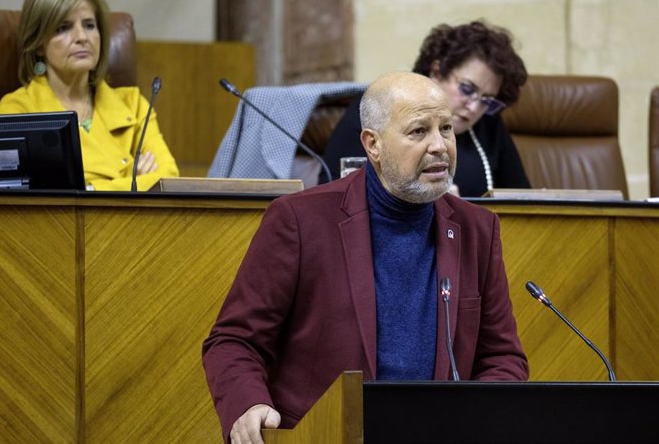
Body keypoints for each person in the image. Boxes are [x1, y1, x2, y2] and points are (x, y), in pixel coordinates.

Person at [203, 71, 528, 444]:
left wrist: (478, 420)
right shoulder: (299, 220)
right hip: (324, 435)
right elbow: (235, 340)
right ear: (372, 144)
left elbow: (502, 357)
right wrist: (248, 404)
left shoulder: (477, 229)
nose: (440, 146)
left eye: (446, 129)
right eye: (419, 131)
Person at [0, 0, 179, 191]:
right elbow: (30, 199)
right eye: (63, 27)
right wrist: (131, 181)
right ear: (38, 43)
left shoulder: (134, 104)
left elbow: (167, 178)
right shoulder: (18, 110)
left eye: (90, 25)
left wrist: (90, 188)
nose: (82, 37)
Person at [319, 20, 530, 197]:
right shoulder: (379, 107)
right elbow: (332, 194)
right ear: (437, 71)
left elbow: (522, 198)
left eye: (487, 99)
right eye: (467, 88)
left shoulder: (488, 125)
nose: (474, 106)